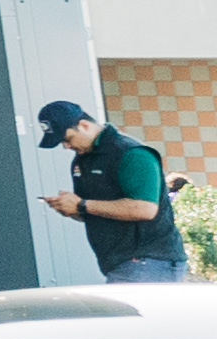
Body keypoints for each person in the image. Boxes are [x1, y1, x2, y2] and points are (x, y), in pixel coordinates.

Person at [38, 98, 187, 284]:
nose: (66, 146)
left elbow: (145, 209)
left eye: (67, 139)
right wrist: (72, 209)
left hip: (148, 260)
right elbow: (96, 211)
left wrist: (82, 205)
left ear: (84, 125)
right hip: (119, 262)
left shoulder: (131, 153)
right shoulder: (81, 161)